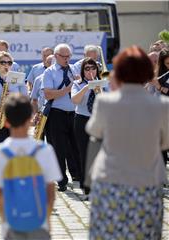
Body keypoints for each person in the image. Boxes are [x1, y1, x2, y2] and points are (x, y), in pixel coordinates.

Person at [86, 46, 169, 239]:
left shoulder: (106, 102)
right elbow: (165, 144)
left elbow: (94, 131)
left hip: (110, 182)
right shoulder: (163, 106)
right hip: (147, 183)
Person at [0, 93, 62, 240]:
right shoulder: (44, 150)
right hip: (39, 223)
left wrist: (5, 220)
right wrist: (45, 219)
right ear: (30, 120)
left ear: (6, 121)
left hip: (12, 223)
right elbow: (50, 193)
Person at [41, 43, 80, 192]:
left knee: (76, 146)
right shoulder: (49, 72)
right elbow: (48, 94)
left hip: (73, 113)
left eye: (69, 56)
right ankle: (61, 180)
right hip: (57, 114)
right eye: (63, 56)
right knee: (59, 148)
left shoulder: (74, 70)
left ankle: (78, 175)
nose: (67, 59)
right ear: (56, 56)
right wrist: (68, 89)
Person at [71, 58, 103, 197]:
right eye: (87, 69)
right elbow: (75, 100)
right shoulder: (77, 84)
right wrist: (86, 87)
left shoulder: (104, 83)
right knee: (84, 153)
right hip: (82, 120)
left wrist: (99, 90)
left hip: (99, 120)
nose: (90, 71)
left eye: (93, 68)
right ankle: (87, 187)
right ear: (83, 71)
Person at [31, 54, 54, 141]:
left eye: (53, 62)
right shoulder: (38, 79)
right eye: (49, 62)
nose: (51, 64)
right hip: (41, 114)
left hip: (55, 114)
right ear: (45, 64)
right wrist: (35, 114)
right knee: (38, 141)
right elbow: (34, 100)